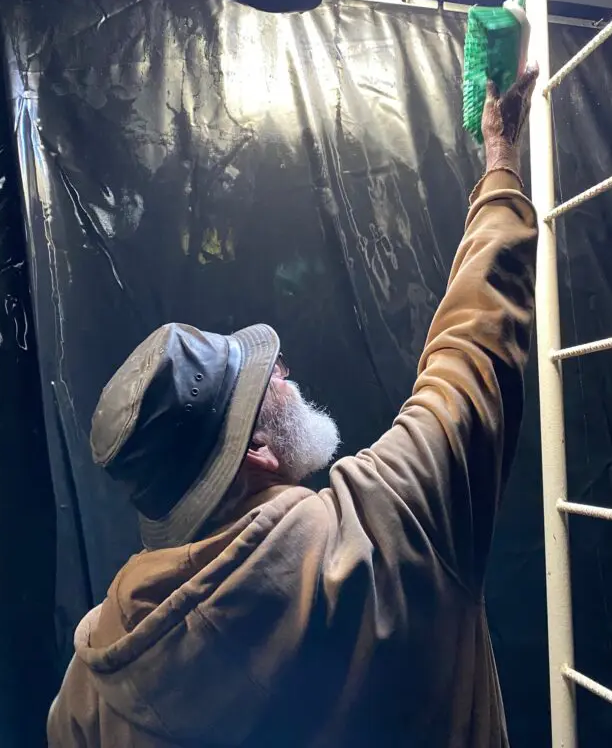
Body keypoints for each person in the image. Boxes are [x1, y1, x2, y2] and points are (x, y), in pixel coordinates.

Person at [48, 68, 540, 748]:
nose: (283, 371)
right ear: (256, 451)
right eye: (264, 382)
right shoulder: (392, 530)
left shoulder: (96, 681)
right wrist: (501, 160)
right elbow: (474, 349)